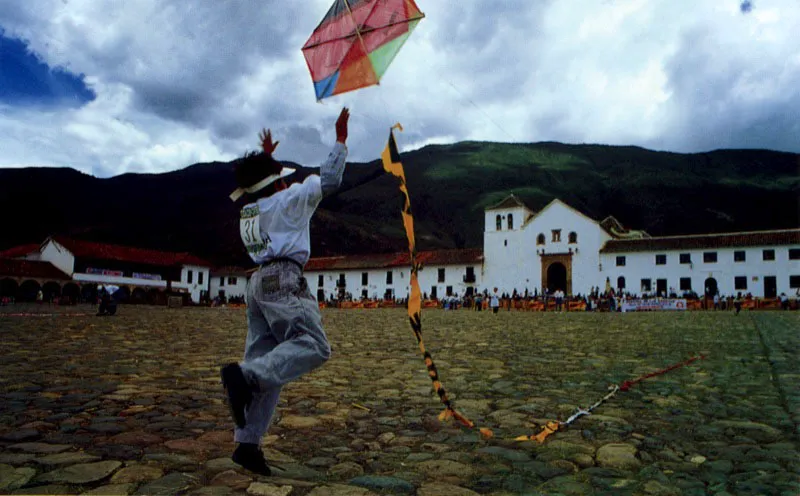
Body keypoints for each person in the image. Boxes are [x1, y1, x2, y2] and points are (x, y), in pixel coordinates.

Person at [220, 108, 350, 476]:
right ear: (278, 182)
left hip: (257, 283)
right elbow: (329, 180)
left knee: (269, 364)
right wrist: (340, 139)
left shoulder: (251, 210)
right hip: (284, 279)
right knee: (313, 345)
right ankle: (243, 377)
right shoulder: (290, 198)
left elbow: (267, 188)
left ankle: (247, 444)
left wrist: (267, 158)